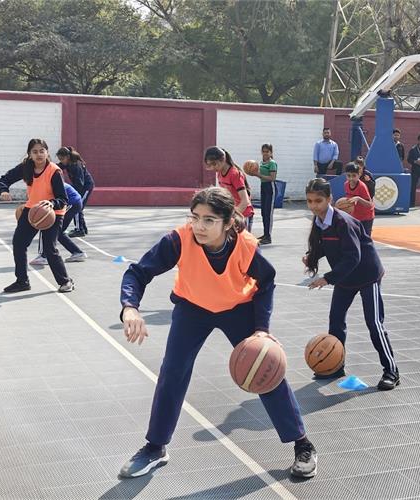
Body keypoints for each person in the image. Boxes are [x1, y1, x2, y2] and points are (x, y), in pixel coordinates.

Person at [117, 187, 317, 479]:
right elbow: (138, 272)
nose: (199, 226)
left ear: (227, 223)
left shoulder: (245, 245)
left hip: (238, 308)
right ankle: (155, 447)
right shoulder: (179, 239)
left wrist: (262, 330)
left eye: (209, 220)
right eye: (195, 217)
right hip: (192, 308)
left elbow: (266, 281)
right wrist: (130, 308)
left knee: (265, 367)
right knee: (172, 372)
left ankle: (302, 443)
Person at [303, 178, 399, 390]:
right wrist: (311, 257)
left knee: (374, 323)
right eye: (309, 201)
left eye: (318, 200)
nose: (314, 206)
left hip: (367, 275)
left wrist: (328, 278)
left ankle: (391, 371)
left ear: (329, 199)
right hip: (346, 277)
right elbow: (324, 246)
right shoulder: (319, 222)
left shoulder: (343, 222)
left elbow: (353, 257)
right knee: (336, 321)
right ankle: (335, 366)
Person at [0, 139, 74, 293]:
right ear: (30, 154)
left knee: (49, 248)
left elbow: (63, 199)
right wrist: (3, 190)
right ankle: (22, 281)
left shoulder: (54, 171)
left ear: (47, 152)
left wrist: (51, 203)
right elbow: (5, 179)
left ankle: (66, 281)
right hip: (32, 210)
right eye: (35, 151)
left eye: (42, 151)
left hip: (53, 212)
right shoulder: (26, 167)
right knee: (19, 243)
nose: (39, 154)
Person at [29, 183, 88, 265]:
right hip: (70, 202)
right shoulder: (43, 183)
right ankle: (77, 252)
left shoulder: (46, 183)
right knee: (58, 231)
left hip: (72, 202)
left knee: (46, 226)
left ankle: (44, 256)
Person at [204, 146, 255, 232]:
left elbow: (245, 201)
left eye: (214, 164)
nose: (212, 167)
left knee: (243, 240)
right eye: (210, 165)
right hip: (232, 213)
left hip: (243, 214)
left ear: (223, 159)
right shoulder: (219, 173)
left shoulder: (234, 174)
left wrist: (234, 216)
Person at [56, 146, 95, 237]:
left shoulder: (76, 165)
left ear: (67, 157)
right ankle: (83, 228)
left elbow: (80, 183)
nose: (61, 161)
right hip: (79, 187)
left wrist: (71, 192)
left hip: (85, 187)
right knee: (78, 207)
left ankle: (79, 230)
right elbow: (58, 166)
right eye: (60, 159)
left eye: (62, 159)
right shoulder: (67, 163)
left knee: (77, 207)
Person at [343, 162, 376, 236]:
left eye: (354, 175)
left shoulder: (362, 186)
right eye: (348, 176)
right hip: (355, 216)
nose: (351, 178)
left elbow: (369, 204)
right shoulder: (346, 184)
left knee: (365, 240)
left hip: (366, 217)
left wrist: (358, 198)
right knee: (354, 238)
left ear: (359, 175)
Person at [255, 143, 277, 245]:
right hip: (263, 186)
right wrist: (253, 172)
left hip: (270, 188)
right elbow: (260, 175)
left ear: (271, 152)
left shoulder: (272, 163)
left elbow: (272, 178)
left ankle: (268, 237)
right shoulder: (261, 162)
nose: (265, 153)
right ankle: (265, 234)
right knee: (263, 212)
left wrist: (258, 175)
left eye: (267, 151)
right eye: (263, 151)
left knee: (268, 212)